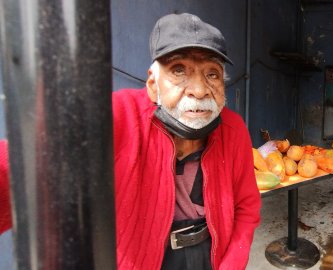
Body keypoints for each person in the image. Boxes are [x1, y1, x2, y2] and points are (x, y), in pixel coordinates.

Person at [0, 13, 261, 270]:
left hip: (209, 257)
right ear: (152, 84)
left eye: (212, 74)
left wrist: (231, 265)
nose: (200, 89)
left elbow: (246, 206)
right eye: (179, 70)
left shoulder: (233, 127)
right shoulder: (116, 116)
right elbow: (26, 163)